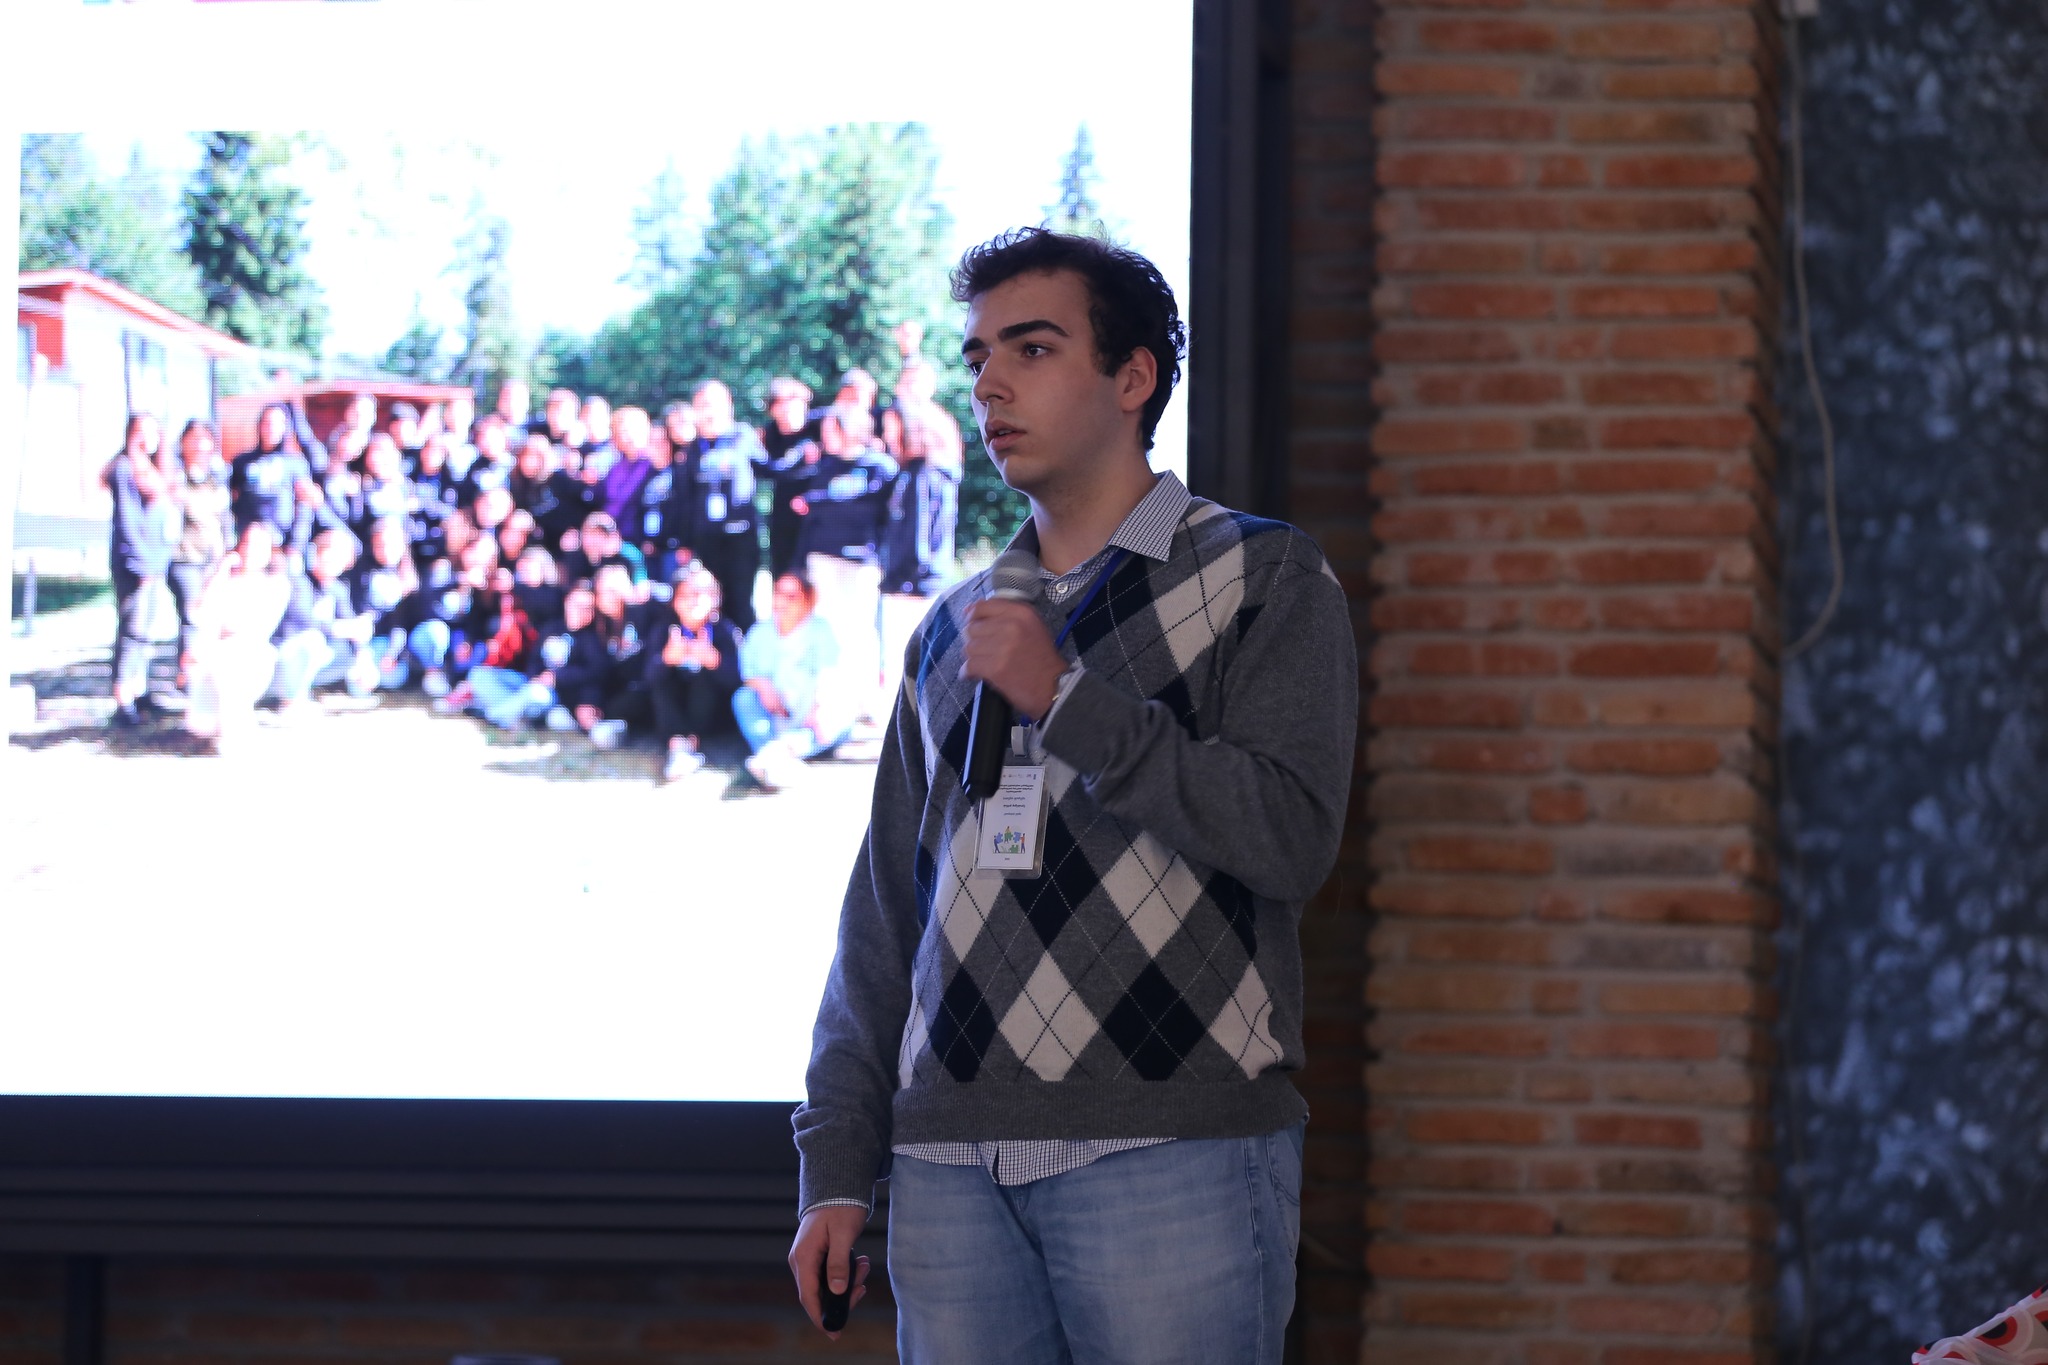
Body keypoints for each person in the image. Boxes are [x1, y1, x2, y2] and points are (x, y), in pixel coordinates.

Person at [786, 229, 1358, 1363]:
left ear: (1132, 376)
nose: (989, 385)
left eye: (1032, 348)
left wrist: (1068, 699)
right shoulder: (953, 625)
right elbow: (885, 914)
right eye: (977, 356)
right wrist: (835, 1162)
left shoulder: (1263, 575)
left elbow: (1291, 838)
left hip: (1171, 1150)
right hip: (947, 1169)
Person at [794, 405, 896, 720]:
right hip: (822, 558)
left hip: (861, 562)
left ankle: (866, 703)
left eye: (830, 429)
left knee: (861, 632)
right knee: (827, 629)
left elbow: (868, 507)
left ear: (849, 430)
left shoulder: (880, 467)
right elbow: (811, 516)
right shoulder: (824, 466)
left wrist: (818, 502)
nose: (824, 436)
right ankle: (831, 704)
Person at [877, 357, 964, 708]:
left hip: (916, 580)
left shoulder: (926, 477)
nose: (886, 438)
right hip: (914, 577)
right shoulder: (917, 476)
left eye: (891, 428)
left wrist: (902, 575)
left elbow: (920, 542)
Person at [732, 571, 847, 792]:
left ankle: (772, 756)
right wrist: (763, 686)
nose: (782, 602)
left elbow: (831, 672)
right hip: (774, 715)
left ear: (808, 600)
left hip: (811, 714)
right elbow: (748, 671)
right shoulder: (760, 631)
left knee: (839, 716)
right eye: (779, 593)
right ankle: (778, 758)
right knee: (743, 698)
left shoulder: (822, 629)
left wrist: (819, 706)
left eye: (791, 596)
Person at [184, 521, 292, 754]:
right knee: (200, 726)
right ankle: (226, 724)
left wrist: (221, 633)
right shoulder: (223, 580)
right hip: (212, 655)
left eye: (259, 546)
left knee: (227, 660)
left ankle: (233, 732)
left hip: (252, 657)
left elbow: (253, 628)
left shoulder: (276, 584)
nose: (251, 551)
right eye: (247, 544)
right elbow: (199, 615)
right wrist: (221, 572)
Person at [106, 413, 178, 726]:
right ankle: (123, 700)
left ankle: (140, 692)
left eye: (152, 432)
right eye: (140, 432)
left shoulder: (153, 470)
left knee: (146, 630)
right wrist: (140, 563)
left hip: (154, 562)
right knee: (132, 631)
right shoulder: (124, 468)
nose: (147, 438)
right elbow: (127, 520)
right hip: (135, 564)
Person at [644, 564, 744, 781]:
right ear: (675, 602)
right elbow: (648, 678)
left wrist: (714, 661)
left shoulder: (726, 631)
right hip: (675, 713)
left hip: (712, 716)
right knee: (663, 681)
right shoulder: (664, 629)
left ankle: (691, 742)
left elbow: (740, 682)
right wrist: (667, 659)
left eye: (702, 594)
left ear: (715, 599)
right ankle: (678, 745)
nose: (694, 601)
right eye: (687, 595)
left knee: (705, 678)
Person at [684, 380, 767, 632]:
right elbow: (685, 497)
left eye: (712, 404)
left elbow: (769, 469)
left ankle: (746, 654)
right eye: (701, 406)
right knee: (711, 605)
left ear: (728, 407)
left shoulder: (743, 436)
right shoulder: (693, 448)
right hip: (707, 540)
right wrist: (686, 542)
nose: (707, 412)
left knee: (741, 605)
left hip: (740, 537)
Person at [271, 526, 380, 708]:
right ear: (317, 553)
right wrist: (336, 628)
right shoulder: (299, 581)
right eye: (330, 552)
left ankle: (358, 690)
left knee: (357, 645)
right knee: (312, 640)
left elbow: (351, 623)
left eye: (341, 556)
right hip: (283, 657)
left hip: (314, 656)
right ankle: (291, 701)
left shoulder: (338, 589)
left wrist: (363, 655)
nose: (334, 560)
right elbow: (300, 619)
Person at [164, 418, 235, 696]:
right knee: (193, 618)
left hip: (213, 561)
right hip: (185, 559)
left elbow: (223, 518)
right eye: (193, 438)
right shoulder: (176, 475)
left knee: (213, 620)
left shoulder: (217, 477)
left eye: (205, 439)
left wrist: (228, 553)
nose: (199, 445)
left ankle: (205, 679)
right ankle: (188, 681)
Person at [551, 562, 653, 748]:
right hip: (611, 690)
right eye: (603, 592)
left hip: (642, 688)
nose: (609, 598)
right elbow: (594, 670)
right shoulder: (596, 626)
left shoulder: (643, 615)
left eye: (613, 591)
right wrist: (588, 702)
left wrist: (632, 597)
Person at [230, 402, 321, 561]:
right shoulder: (242, 461)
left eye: (277, 423)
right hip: (249, 545)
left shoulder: (296, 463)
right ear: (260, 425)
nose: (271, 428)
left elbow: (305, 507)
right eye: (267, 423)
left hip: (282, 546)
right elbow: (231, 501)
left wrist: (296, 545)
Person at [759, 377, 821, 577]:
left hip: (815, 516)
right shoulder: (768, 435)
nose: (790, 409)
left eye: (797, 403)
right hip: (783, 516)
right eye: (783, 404)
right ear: (773, 409)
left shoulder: (820, 427)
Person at [351, 516, 420, 689]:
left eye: (392, 544)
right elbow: (356, 613)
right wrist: (361, 650)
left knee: (394, 677)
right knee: (357, 686)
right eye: (380, 545)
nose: (386, 550)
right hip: (362, 639)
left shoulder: (408, 578)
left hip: (388, 642)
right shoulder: (362, 570)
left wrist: (392, 653)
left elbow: (400, 624)